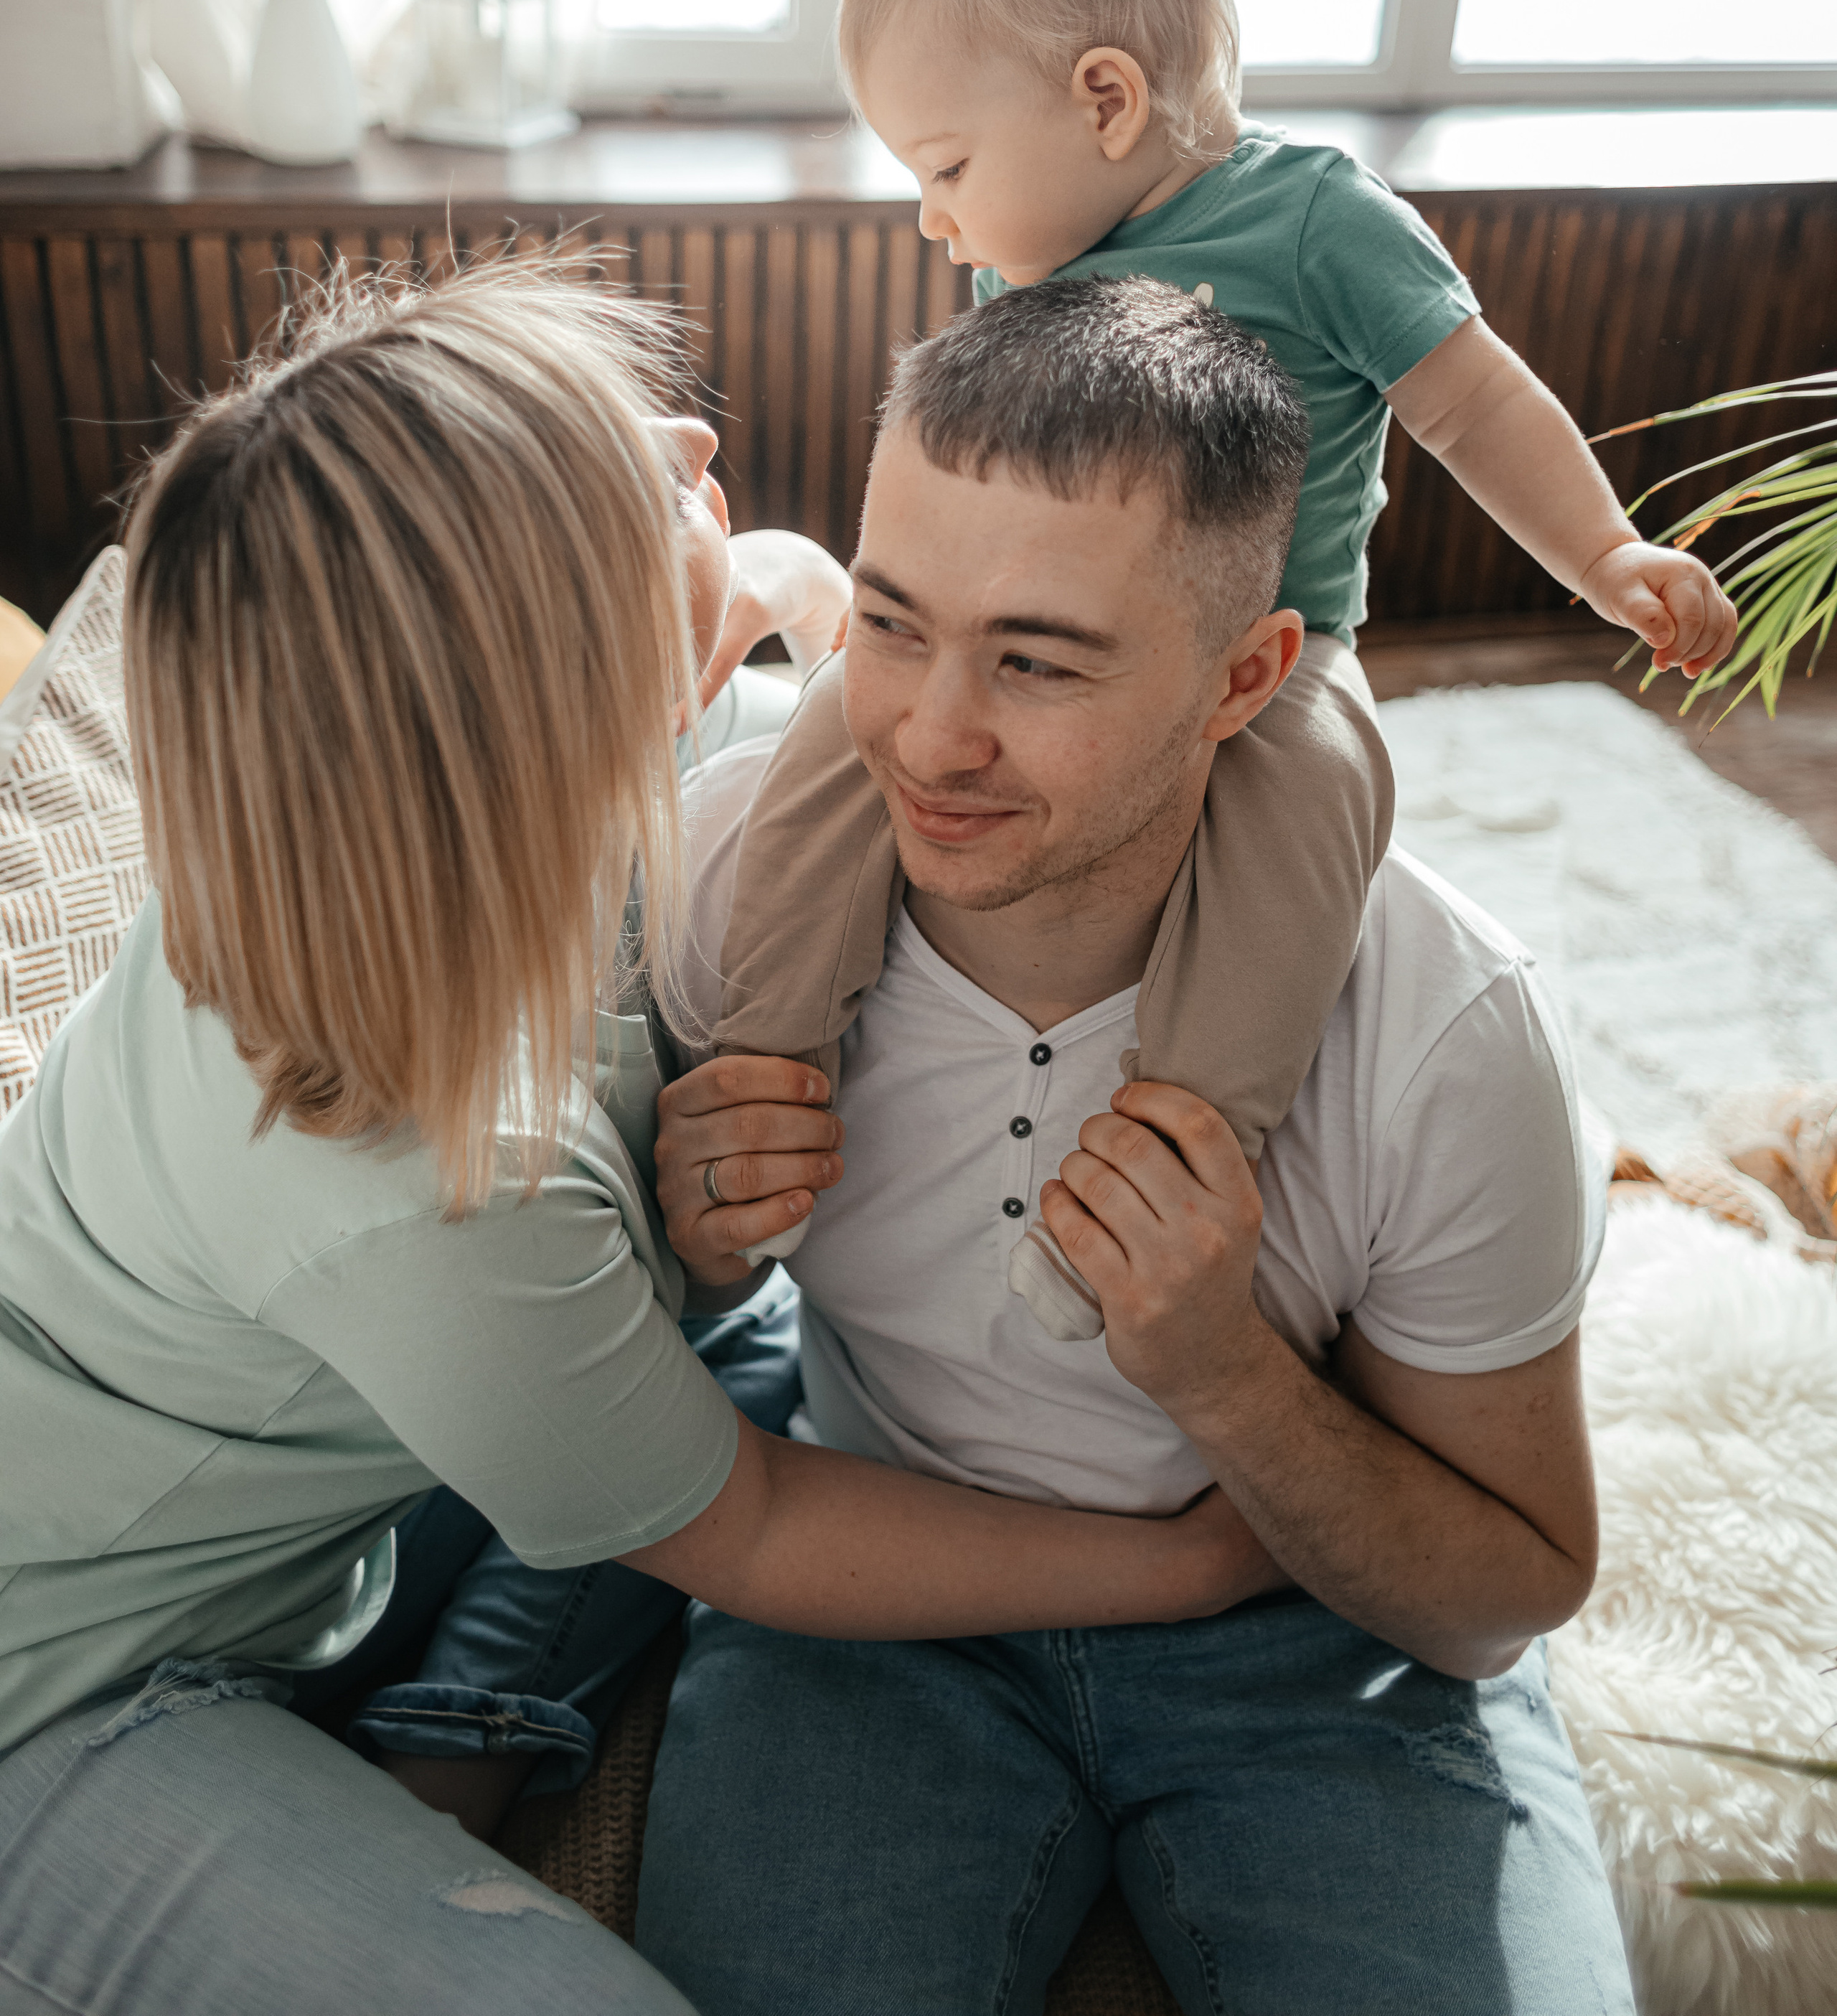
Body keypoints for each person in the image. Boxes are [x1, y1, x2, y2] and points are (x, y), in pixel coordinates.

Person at [0, 261, 1258, 2016]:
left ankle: (457, 1728)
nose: (693, 437)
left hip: (308, 1472)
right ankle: (444, 1745)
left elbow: (836, 705)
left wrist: (773, 581)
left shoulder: (392, 820)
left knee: (749, 1322)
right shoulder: (431, 1177)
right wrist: (1193, 1558)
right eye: (638, 477)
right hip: (65, 1688)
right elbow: (755, 1528)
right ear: (567, 691)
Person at [634, 278, 1637, 2016]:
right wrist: (698, 1243)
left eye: (1037, 661)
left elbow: (1497, 1599)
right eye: (892, 626)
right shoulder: (725, 883)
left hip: (1312, 1642)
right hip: (874, 1586)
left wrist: (1224, 1375)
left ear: (1243, 678)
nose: (929, 737)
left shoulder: (1444, 1032)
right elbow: (610, 1324)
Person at [713, 0, 1737, 1333]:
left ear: (1105, 99)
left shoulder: (1318, 223)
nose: (933, 218)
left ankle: (1165, 1158)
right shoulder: (1024, 259)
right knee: (827, 749)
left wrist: (1602, 553)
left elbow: (1474, 403)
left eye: (946, 165)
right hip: (1054, 645)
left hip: (1279, 651)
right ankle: (765, 1064)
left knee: (1305, 838)